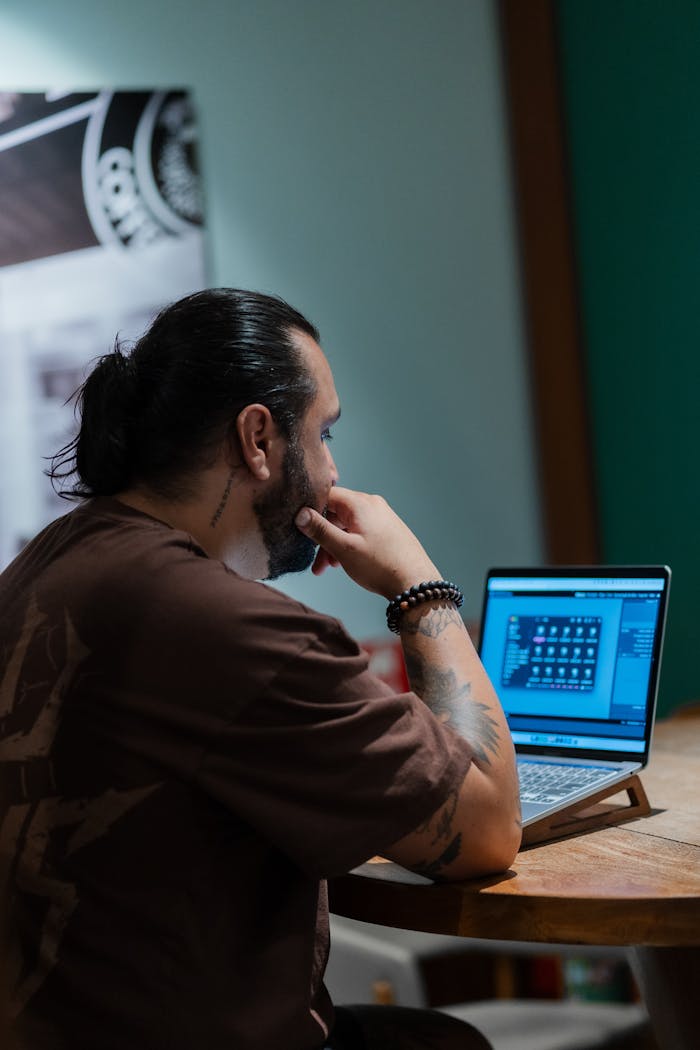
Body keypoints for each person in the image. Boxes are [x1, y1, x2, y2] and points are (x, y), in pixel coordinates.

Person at [0, 288, 521, 1050]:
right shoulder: (226, 628)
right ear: (258, 439)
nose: (333, 469)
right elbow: (486, 830)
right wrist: (419, 587)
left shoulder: (38, 570)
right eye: (324, 433)